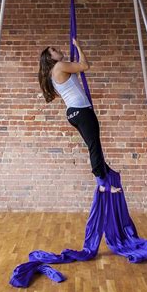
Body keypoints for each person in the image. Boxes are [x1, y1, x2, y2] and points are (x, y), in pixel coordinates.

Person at [38, 38, 121, 193]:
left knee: (93, 145)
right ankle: (102, 183)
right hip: (81, 110)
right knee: (94, 145)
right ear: (50, 58)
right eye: (54, 50)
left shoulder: (52, 73)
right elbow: (85, 66)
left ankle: (104, 174)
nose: (58, 50)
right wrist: (78, 47)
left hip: (73, 113)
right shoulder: (60, 66)